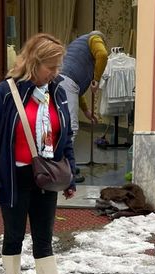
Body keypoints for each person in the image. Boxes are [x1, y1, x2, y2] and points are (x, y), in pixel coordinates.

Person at [0, 33, 81, 274]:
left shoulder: (56, 91)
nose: (56, 73)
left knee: (44, 236)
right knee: (13, 236)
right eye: (51, 67)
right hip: (15, 177)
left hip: (46, 176)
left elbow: (65, 137)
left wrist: (70, 174)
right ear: (35, 63)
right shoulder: (5, 93)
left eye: (59, 67)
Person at [59, 31, 107, 183]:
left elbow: (77, 91)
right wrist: (96, 79)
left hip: (61, 81)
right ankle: (65, 171)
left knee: (61, 127)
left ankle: (66, 164)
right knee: (71, 128)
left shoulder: (77, 47)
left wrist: (86, 111)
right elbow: (103, 55)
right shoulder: (94, 38)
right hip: (67, 83)